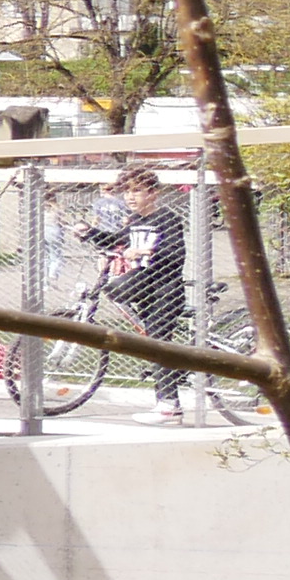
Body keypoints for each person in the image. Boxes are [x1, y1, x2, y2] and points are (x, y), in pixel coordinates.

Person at [94, 161, 193, 418]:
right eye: (126, 191)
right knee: (151, 340)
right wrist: (89, 233)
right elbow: (116, 240)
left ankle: (169, 403)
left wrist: (145, 251)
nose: (130, 196)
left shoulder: (167, 219)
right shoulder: (135, 220)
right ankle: (166, 395)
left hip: (165, 289)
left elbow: (176, 254)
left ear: (153, 193)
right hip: (146, 288)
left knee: (158, 344)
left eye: (136, 191)